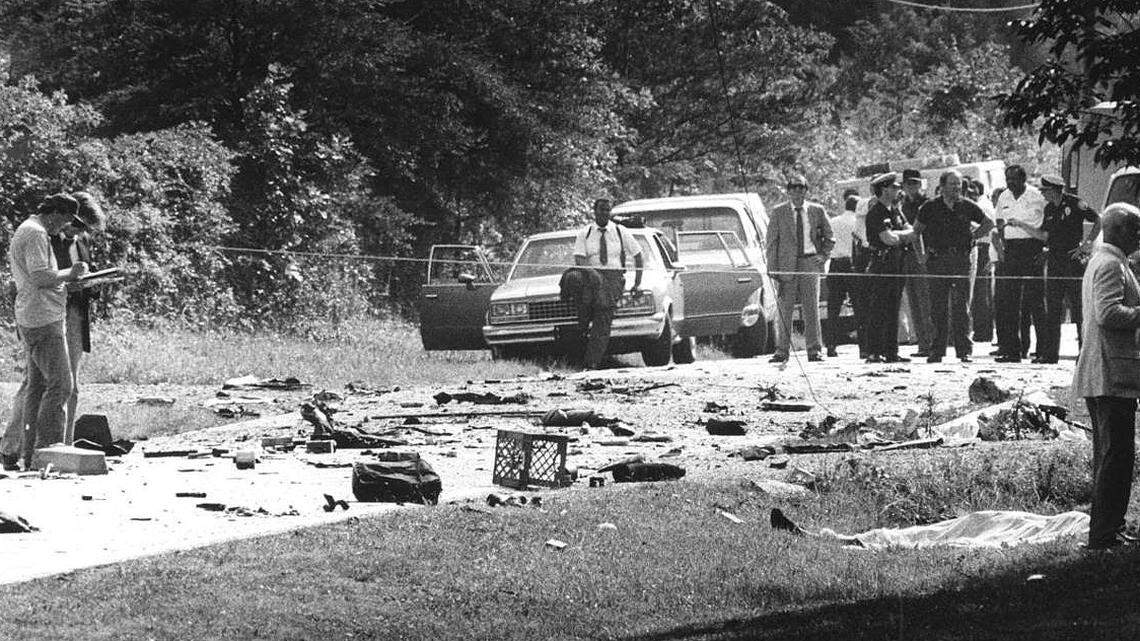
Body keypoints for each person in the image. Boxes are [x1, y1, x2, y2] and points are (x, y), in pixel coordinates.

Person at [1, 193, 106, 466]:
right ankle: (47, 447)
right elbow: (39, 277)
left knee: (37, 386)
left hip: (38, 314)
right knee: (62, 383)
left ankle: (28, 453)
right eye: (67, 222)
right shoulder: (36, 233)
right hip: (42, 316)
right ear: (57, 214)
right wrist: (70, 274)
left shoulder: (31, 229)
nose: (65, 229)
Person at [1071, 202, 1140, 550]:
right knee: (1116, 454)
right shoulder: (1111, 263)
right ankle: (1104, 532)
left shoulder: (1108, 261)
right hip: (1110, 372)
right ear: (1118, 230)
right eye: (1136, 229)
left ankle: (1109, 527)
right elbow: (1108, 313)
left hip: (1109, 370)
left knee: (1112, 453)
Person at [913, 171, 994, 363]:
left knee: (961, 306)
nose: (957, 188)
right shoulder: (930, 207)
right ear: (942, 186)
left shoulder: (967, 206)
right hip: (937, 261)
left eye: (959, 184)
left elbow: (988, 223)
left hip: (960, 260)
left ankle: (963, 350)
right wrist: (921, 256)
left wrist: (973, 237)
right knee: (938, 307)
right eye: (952, 184)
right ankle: (937, 350)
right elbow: (916, 231)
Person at [765, 174, 834, 363]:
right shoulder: (779, 212)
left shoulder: (816, 210)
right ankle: (781, 351)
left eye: (801, 188)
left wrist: (823, 256)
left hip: (809, 262)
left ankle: (814, 349)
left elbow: (829, 236)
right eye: (793, 188)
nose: (797, 191)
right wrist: (772, 268)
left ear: (806, 190)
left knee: (811, 307)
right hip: (786, 266)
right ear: (788, 191)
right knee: (785, 309)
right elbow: (771, 242)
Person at [572, 198, 643, 369]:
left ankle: (591, 362)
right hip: (590, 276)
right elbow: (579, 258)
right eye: (601, 210)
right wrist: (592, 272)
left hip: (613, 278)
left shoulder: (620, 231)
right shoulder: (585, 232)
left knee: (603, 312)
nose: (604, 213)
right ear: (594, 212)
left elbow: (638, 255)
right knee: (572, 279)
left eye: (607, 210)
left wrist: (637, 283)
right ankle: (583, 318)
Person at [1037, 175, 1100, 364]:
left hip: (1073, 259)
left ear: (1055, 189)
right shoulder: (1048, 209)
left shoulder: (1075, 203)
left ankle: (1084, 352)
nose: (1042, 194)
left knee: (1078, 307)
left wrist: (1087, 245)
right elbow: (1047, 234)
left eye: (1045, 190)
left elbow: (1098, 219)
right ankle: (1050, 354)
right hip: (1055, 259)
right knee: (1053, 308)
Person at [863, 172, 919, 363]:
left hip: (897, 262)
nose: (898, 190)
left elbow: (913, 231)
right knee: (879, 308)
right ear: (884, 189)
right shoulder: (876, 212)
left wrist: (899, 235)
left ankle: (891, 351)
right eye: (894, 187)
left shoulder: (895, 211)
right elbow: (887, 238)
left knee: (894, 307)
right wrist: (901, 235)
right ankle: (874, 351)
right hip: (882, 264)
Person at [993, 165, 1047, 363]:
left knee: (1036, 302)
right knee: (1010, 301)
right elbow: (999, 222)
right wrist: (1003, 245)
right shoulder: (1004, 197)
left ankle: (1043, 350)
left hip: (1032, 248)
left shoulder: (1036, 196)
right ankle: (1012, 350)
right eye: (1007, 179)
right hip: (1012, 250)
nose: (1010, 183)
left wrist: (1044, 249)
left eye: (1014, 179)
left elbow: (1046, 225)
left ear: (1023, 179)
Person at [899, 168, 934, 358]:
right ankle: (923, 343)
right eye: (908, 184)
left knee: (925, 300)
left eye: (915, 183)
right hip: (907, 256)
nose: (912, 187)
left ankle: (931, 342)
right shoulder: (902, 206)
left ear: (921, 184)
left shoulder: (927, 204)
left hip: (924, 256)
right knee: (913, 300)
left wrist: (926, 254)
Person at [824, 194, 862, 358]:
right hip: (852, 264)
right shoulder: (857, 222)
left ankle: (831, 344)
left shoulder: (833, 221)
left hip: (835, 264)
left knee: (834, 307)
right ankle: (864, 346)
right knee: (859, 306)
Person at [970, 179, 997, 344]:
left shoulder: (982, 206)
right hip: (984, 248)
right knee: (982, 292)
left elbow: (989, 230)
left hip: (983, 247)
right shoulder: (983, 204)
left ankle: (983, 331)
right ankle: (982, 330)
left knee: (981, 292)